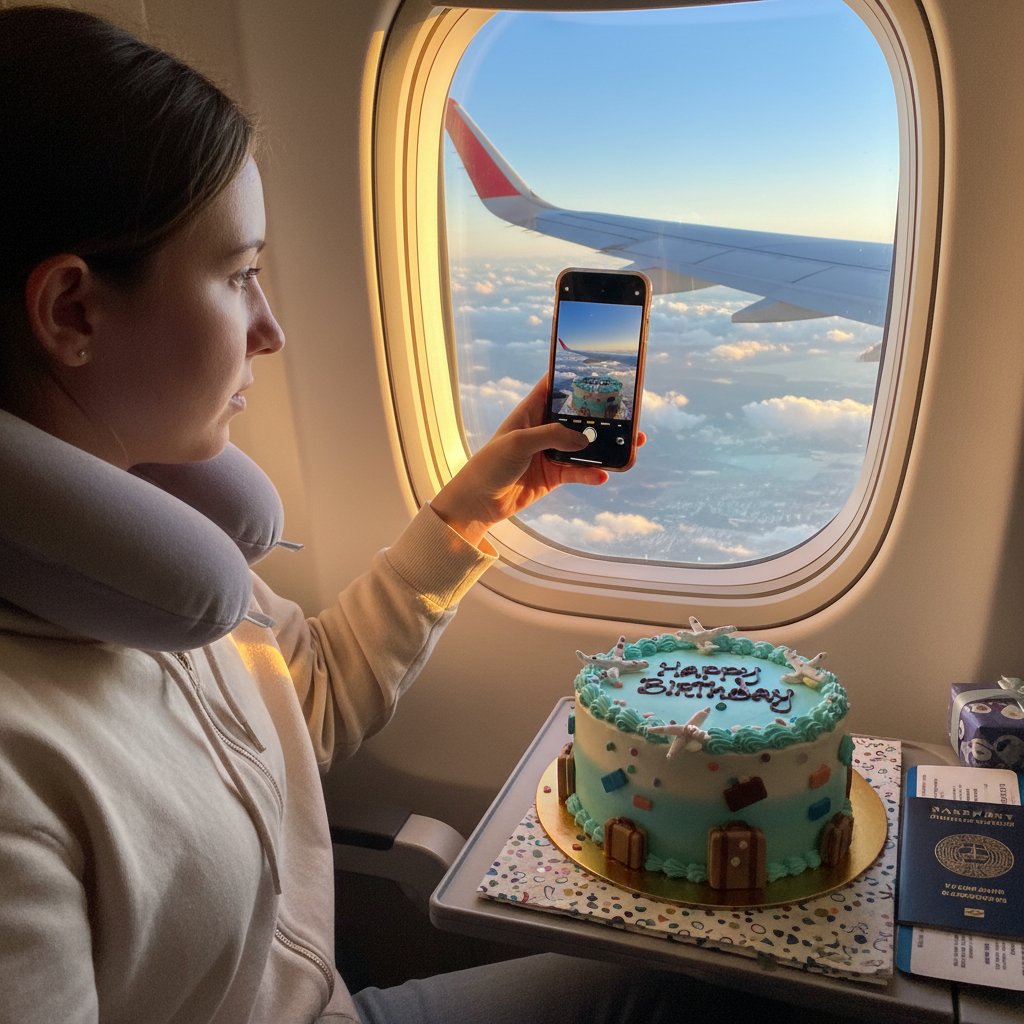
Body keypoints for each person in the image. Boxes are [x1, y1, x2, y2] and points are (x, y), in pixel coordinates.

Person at [0, 8, 840, 1024]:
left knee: (695, 983)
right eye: (238, 275)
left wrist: (465, 515)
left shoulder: (152, 561)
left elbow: (299, 703)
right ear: (73, 314)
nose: (268, 332)